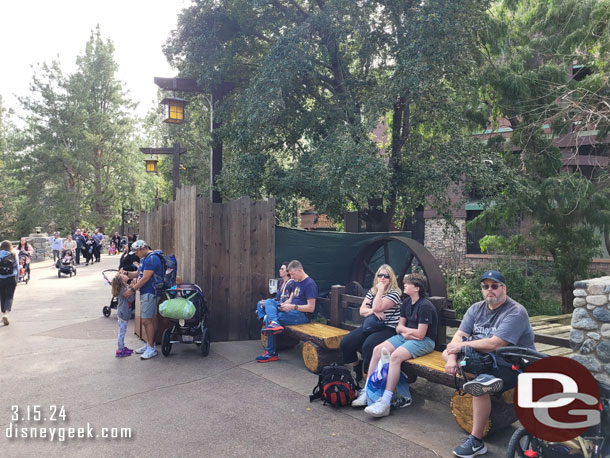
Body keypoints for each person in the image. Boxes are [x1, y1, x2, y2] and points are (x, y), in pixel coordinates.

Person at [443, 270, 535, 458]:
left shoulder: (516, 311)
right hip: (481, 359)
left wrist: (461, 346)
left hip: (512, 365)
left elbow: (495, 344)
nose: (489, 290)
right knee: (447, 353)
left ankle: (476, 441)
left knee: (479, 386)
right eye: (485, 287)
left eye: (494, 286)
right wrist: (452, 359)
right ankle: (478, 376)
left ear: (504, 288)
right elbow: (459, 335)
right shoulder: (476, 308)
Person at [353, 273, 437, 417]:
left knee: (395, 357)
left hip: (425, 342)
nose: (404, 284)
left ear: (417, 287)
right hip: (405, 337)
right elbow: (399, 327)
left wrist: (406, 332)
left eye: (408, 283)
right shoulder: (406, 303)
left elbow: (421, 334)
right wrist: (407, 332)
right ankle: (367, 391)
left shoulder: (425, 306)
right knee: (377, 350)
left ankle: (385, 402)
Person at [339, 264, 402, 384]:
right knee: (346, 343)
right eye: (380, 275)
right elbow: (362, 311)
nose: (382, 278)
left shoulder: (395, 293)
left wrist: (381, 291)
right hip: (371, 325)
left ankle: (370, 376)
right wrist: (373, 311)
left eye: (386, 276)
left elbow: (378, 305)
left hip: (387, 328)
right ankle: (358, 368)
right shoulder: (372, 291)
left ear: (391, 278)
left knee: (368, 346)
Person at [256, 260, 317, 363]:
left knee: (270, 319)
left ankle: (271, 353)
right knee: (269, 301)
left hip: (302, 315)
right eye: (291, 274)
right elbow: (291, 299)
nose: (291, 277)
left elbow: (311, 308)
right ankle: (274, 323)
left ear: (300, 270)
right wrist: (285, 304)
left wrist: (293, 307)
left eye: (293, 274)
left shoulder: (310, 284)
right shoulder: (297, 282)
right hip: (291, 310)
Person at [121, 240, 164, 360]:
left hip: (150, 292)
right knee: (151, 318)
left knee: (146, 321)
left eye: (136, 252)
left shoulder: (151, 259)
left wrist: (132, 290)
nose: (135, 254)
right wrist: (127, 273)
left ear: (142, 249)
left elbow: (145, 279)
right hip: (148, 292)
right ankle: (150, 344)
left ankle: (151, 348)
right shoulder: (145, 259)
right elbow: (138, 274)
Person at [111, 272, 135, 357]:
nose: (126, 275)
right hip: (123, 313)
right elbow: (131, 299)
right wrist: (133, 290)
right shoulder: (124, 290)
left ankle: (122, 347)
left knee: (122, 331)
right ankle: (120, 350)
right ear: (121, 280)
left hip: (122, 312)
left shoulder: (124, 288)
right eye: (123, 276)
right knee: (122, 332)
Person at [0, 240, 19, 326]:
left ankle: (3, 313)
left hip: (1, 278)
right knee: (9, 296)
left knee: (2, 296)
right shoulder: (14, 254)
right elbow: (17, 267)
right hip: (11, 278)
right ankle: (6, 314)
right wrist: (17, 278)